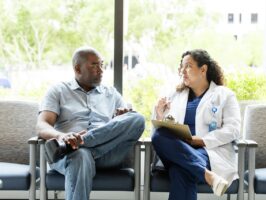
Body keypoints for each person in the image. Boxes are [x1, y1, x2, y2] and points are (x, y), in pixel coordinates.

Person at [36, 46, 145, 200]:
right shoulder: (58, 91)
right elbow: (41, 126)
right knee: (80, 155)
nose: (101, 69)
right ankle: (75, 145)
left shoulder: (111, 93)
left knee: (137, 119)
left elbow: (128, 121)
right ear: (77, 68)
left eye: (102, 64)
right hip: (69, 156)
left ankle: (79, 142)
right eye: (94, 65)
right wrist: (61, 136)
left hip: (104, 154)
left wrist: (120, 117)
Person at [151, 49, 241, 200]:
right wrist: (159, 114)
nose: (182, 71)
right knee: (158, 135)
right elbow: (163, 131)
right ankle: (208, 176)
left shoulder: (224, 95)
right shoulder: (174, 96)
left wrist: (201, 140)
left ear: (203, 69)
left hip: (209, 152)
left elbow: (233, 129)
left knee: (180, 170)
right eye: (181, 67)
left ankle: (200, 169)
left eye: (188, 66)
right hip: (178, 150)